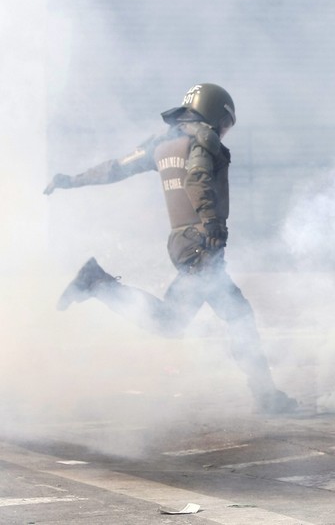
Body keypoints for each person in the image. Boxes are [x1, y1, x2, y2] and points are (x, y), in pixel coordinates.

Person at [44, 83, 298, 415]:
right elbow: (197, 178)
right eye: (226, 123)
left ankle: (266, 396)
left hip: (184, 243)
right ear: (215, 113)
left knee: (176, 321)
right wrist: (211, 222)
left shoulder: (161, 145)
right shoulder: (203, 140)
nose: (224, 131)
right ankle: (267, 398)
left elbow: (115, 168)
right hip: (201, 244)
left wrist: (71, 180)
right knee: (234, 317)